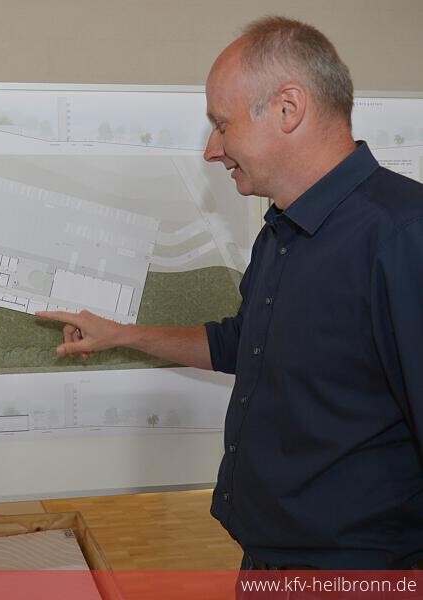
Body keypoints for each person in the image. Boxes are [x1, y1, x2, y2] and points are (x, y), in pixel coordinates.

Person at [38, 16, 423, 569]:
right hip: (267, 563)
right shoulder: (282, 231)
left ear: (288, 109)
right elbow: (244, 345)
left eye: (222, 124)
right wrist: (120, 334)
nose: (212, 150)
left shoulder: (403, 236)